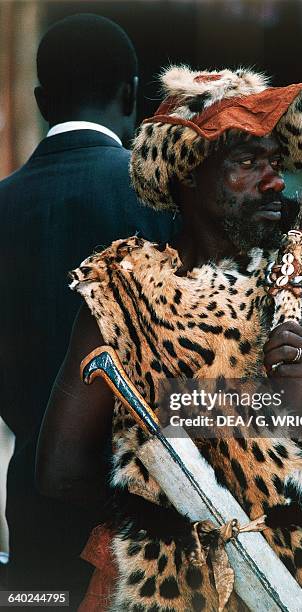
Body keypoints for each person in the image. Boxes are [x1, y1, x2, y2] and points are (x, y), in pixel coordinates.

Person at [37, 66, 302, 611]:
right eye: (246, 163)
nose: (273, 179)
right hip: (159, 585)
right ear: (186, 173)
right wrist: (176, 504)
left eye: (274, 162)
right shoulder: (120, 294)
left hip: (300, 584)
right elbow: (60, 468)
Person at [0, 14, 176, 605]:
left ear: (43, 101)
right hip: (149, 533)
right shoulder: (165, 202)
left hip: (33, 528)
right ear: (132, 93)